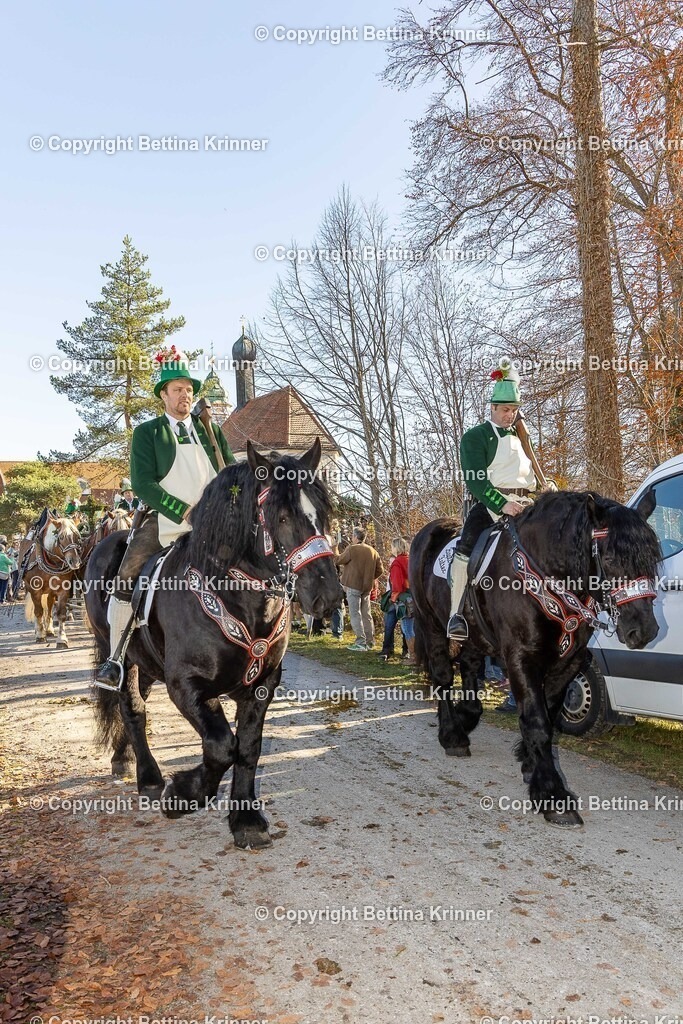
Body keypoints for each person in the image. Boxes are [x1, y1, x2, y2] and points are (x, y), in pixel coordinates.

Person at [95, 348, 235, 688]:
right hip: (167, 520)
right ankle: (115, 659)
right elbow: (143, 483)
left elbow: (232, 475)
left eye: (189, 388)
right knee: (127, 575)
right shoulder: (148, 433)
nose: (185, 394)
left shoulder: (211, 431)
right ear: (163, 394)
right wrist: (183, 510)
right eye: (177, 389)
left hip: (216, 523)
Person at [447, 362, 537, 648]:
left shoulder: (522, 438)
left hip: (529, 502)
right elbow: (476, 481)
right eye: (504, 410)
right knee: (464, 550)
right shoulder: (476, 437)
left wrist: (546, 489)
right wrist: (502, 504)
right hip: (491, 504)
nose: (509, 415)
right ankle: (456, 614)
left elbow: (531, 473)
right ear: (493, 408)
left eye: (513, 410)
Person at [336, 527, 383, 651]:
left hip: (353, 586)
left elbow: (339, 560)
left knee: (355, 614)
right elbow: (380, 570)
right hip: (367, 587)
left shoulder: (352, 548)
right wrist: (369, 578)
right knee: (366, 614)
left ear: (356, 537)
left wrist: (334, 550)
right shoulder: (373, 551)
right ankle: (370, 641)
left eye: (352, 536)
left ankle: (360, 642)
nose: (351, 538)